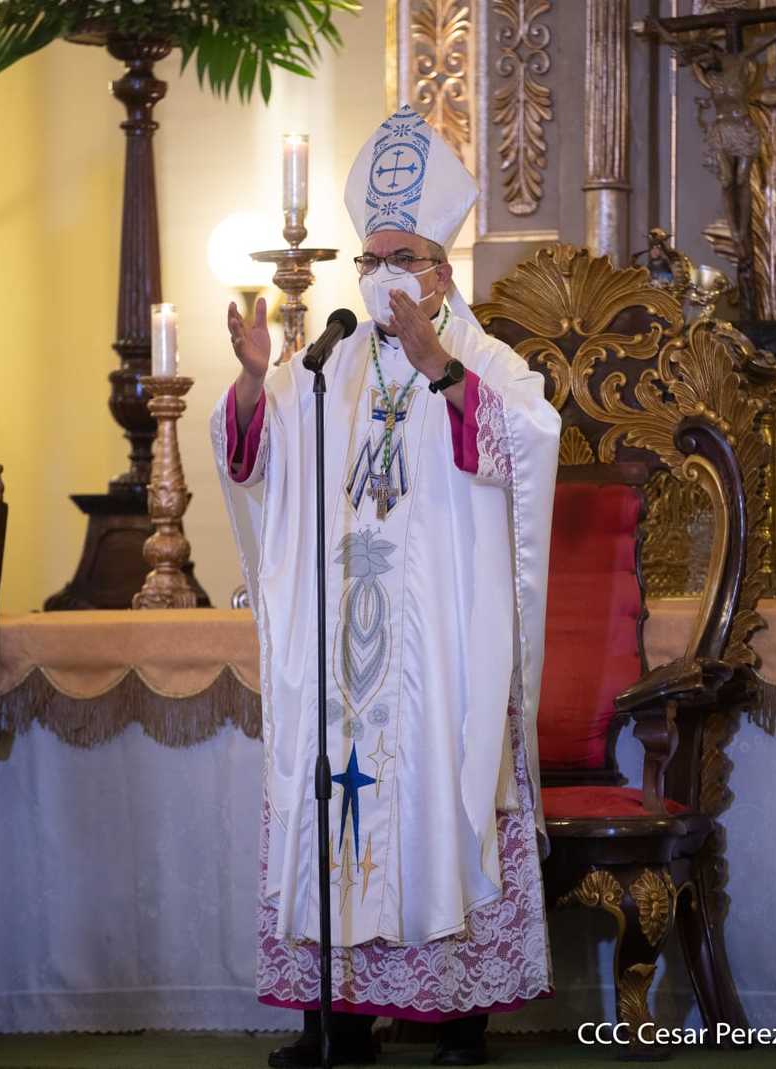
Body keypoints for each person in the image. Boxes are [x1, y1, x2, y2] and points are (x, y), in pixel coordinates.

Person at [211, 105, 561, 1067]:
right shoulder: (328, 364)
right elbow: (258, 462)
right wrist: (253, 384)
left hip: (441, 639)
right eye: (368, 258)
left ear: (440, 270)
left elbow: (525, 451)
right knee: (334, 797)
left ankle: (453, 1013)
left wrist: (440, 368)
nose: (377, 273)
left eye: (398, 256)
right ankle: (338, 1018)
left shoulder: (484, 361)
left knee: (438, 791)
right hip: (342, 641)